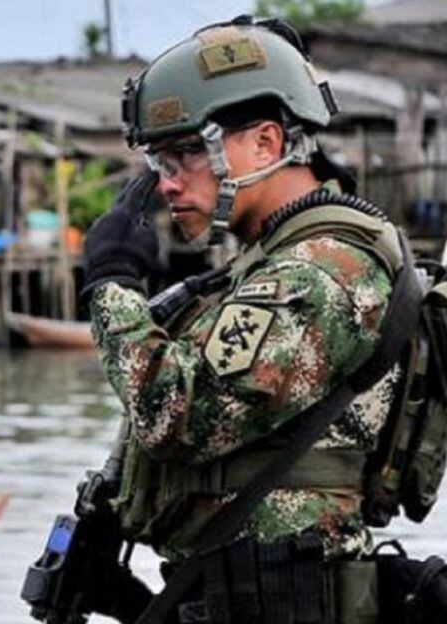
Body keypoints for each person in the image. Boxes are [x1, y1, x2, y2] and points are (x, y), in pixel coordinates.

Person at [80, 15, 409, 623]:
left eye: (185, 153)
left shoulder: (322, 270)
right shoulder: (264, 263)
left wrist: (111, 284)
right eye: (159, 161)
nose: (168, 183)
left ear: (265, 143)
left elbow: (178, 415)